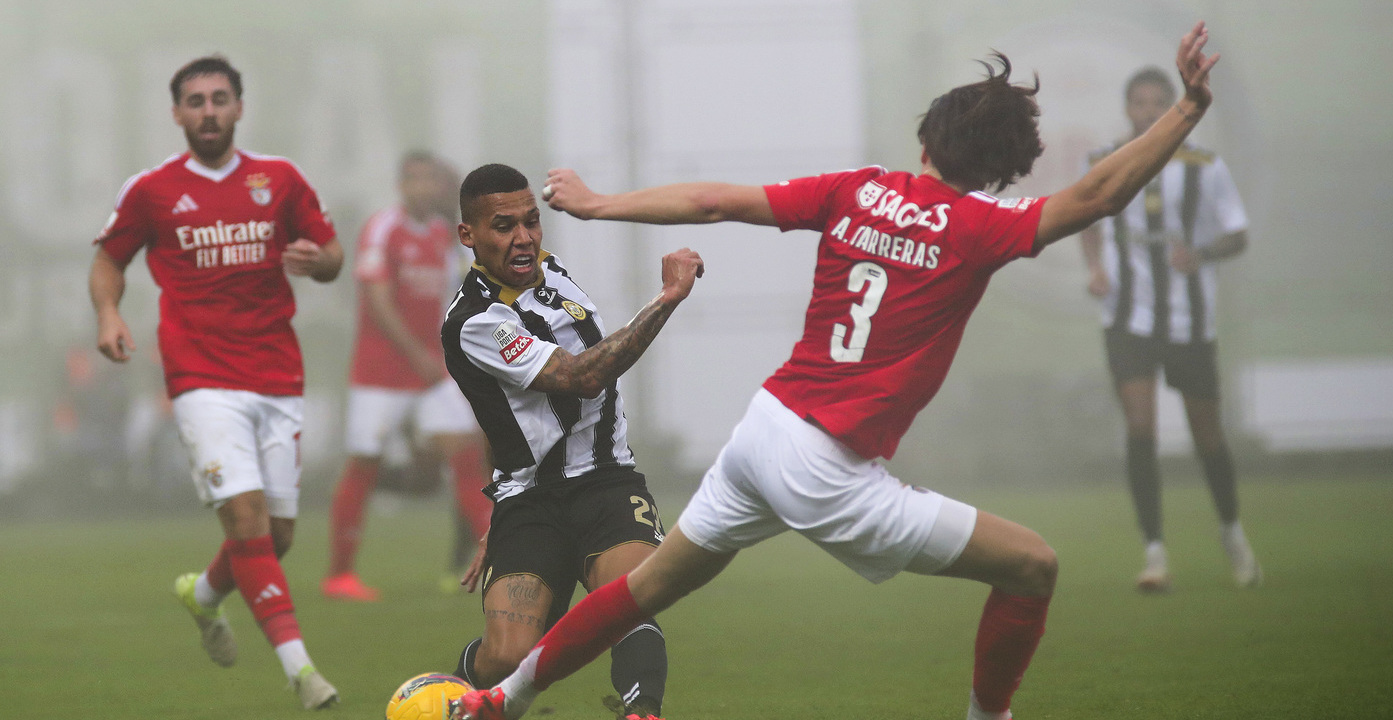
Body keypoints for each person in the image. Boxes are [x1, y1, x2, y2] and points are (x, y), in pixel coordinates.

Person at [449, 22, 1223, 720]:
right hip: (824, 467)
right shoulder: (984, 225)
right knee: (1031, 566)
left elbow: (716, 200)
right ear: (1003, 169)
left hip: (761, 432)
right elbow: (1100, 192)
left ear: (925, 144)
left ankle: (500, 699)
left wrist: (600, 202)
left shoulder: (858, 191)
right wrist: (1185, 109)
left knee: (639, 594)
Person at [88, 55, 343, 710]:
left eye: (219, 99)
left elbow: (333, 255)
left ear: (238, 107)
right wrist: (110, 311)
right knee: (246, 518)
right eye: (195, 101)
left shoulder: (280, 180)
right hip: (200, 376)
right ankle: (301, 671)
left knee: (275, 536)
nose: (208, 111)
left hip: (277, 373)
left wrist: (319, 262)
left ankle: (201, 596)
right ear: (177, 113)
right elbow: (109, 261)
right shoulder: (151, 190)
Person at [440, 163, 705, 720]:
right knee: (507, 659)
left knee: (630, 602)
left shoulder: (551, 271)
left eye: (532, 222)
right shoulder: (476, 320)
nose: (524, 238)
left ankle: (641, 713)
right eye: (504, 225)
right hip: (532, 503)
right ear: (469, 235)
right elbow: (581, 377)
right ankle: (456, 686)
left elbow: (511, 415)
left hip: (607, 481)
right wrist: (667, 300)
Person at [1080, 66, 1259, 593]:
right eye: (1140, 103)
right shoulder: (1105, 162)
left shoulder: (1204, 165)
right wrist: (1095, 269)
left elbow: (1237, 235)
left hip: (1188, 319)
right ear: (1127, 108)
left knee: (1208, 433)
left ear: (1174, 107)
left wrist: (1200, 253)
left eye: (1160, 102)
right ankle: (1154, 553)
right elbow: (1086, 221)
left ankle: (1233, 534)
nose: (1149, 112)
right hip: (1127, 317)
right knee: (1140, 428)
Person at [323, 151, 493, 602]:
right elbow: (377, 300)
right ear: (402, 184)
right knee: (365, 462)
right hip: (379, 372)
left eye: (431, 181)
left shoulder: (443, 236)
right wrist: (417, 354)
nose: (424, 188)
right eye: (415, 180)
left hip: (433, 371)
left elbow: (454, 298)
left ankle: (501, 563)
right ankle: (339, 574)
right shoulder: (383, 229)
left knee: (467, 457)